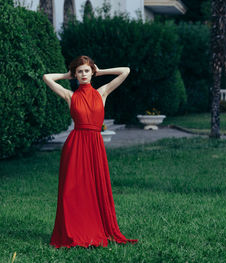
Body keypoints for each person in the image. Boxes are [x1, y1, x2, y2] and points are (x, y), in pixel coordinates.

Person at [43, 55, 138, 248]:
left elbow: (125, 71)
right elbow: (46, 77)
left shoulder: (102, 92)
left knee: (95, 188)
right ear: (75, 74)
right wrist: (66, 75)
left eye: (87, 71)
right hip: (75, 145)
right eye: (80, 71)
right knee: (72, 191)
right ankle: (74, 231)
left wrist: (99, 71)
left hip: (95, 144)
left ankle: (93, 228)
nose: (84, 74)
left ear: (91, 72)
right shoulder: (70, 96)